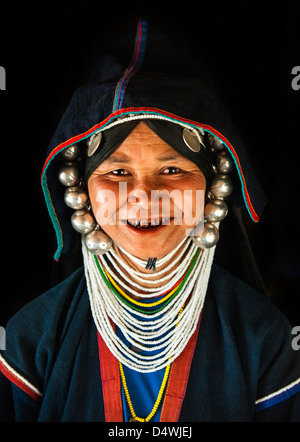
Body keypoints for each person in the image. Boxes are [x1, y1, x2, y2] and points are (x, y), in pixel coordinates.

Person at [0, 18, 299, 422]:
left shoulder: (266, 340)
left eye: (173, 170)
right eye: (117, 172)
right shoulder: (29, 340)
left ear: (214, 187)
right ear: (81, 190)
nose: (143, 196)